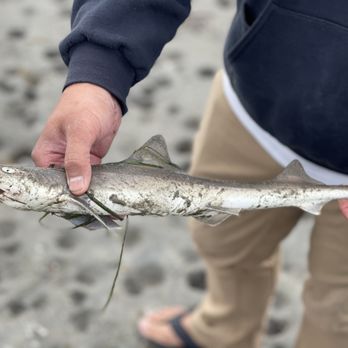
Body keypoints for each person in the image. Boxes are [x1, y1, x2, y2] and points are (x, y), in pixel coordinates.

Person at [31, 1, 348, 347]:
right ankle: (221, 329)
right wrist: (99, 68)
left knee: (337, 309)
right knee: (221, 244)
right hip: (253, 102)